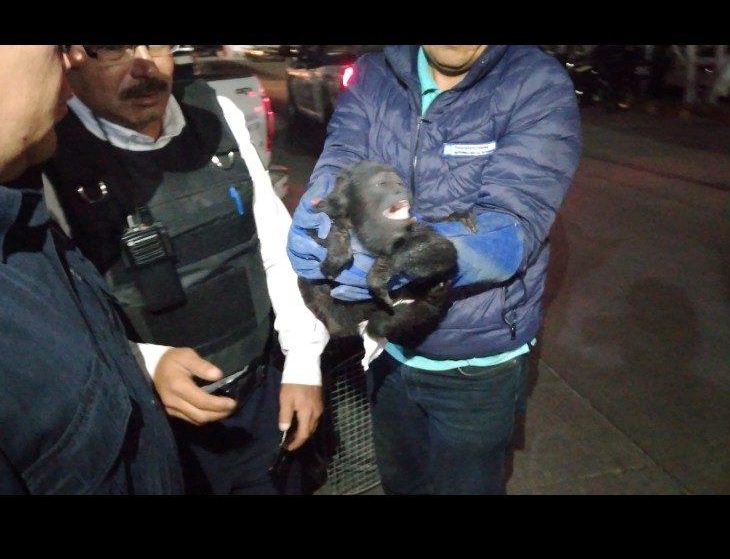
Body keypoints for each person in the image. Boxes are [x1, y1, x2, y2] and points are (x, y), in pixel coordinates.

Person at [288, 45, 582, 495]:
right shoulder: (374, 73)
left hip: (476, 362)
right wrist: (321, 212)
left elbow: (513, 224)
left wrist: (408, 258)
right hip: (386, 346)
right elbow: (343, 157)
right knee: (401, 484)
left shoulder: (535, 82)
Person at [38, 45, 329, 495]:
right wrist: (146, 364)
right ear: (72, 59)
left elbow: (275, 243)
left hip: (262, 402)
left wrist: (303, 364)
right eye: (113, 49)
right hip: (154, 429)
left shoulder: (217, 112)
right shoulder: (49, 152)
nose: (143, 64)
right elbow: (55, 316)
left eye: (155, 44)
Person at [0, 45, 184, 494]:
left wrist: (142, 362)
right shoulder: (54, 168)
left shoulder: (23, 213)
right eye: (59, 47)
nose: (75, 60)